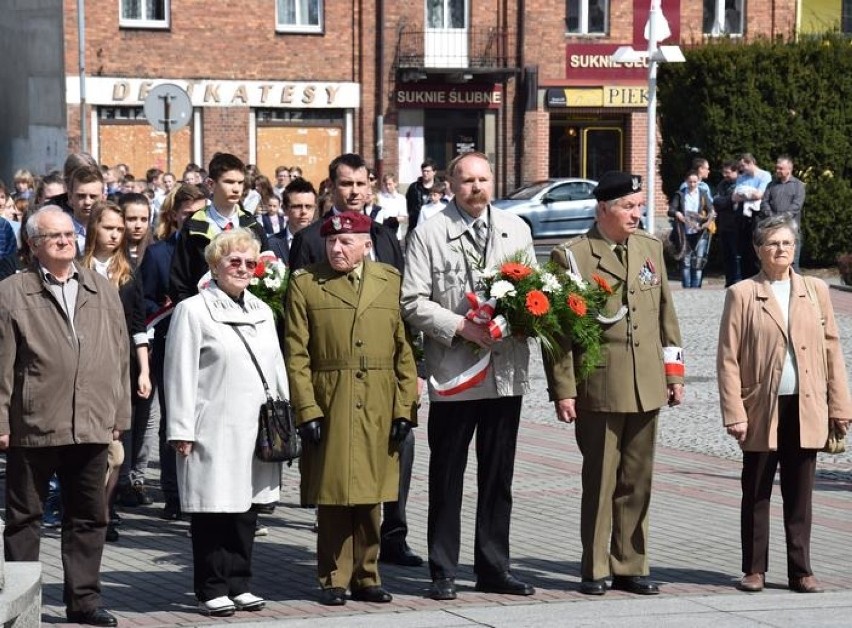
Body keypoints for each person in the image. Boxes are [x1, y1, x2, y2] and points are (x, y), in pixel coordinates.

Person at [401, 151, 536, 601]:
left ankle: (494, 567)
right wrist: (462, 326)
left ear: (492, 181)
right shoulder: (430, 232)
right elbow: (412, 300)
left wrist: (517, 317)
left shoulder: (515, 229)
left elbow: (534, 292)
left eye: (482, 179)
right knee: (447, 475)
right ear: (450, 185)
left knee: (498, 477)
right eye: (466, 181)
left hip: (504, 371)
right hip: (454, 374)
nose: (476, 188)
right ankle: (443, 569)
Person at [544, 171, 684, 597]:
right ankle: (596, 566)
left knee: (638, 479)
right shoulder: (573, 256)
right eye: (628, 207)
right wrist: (564, 390)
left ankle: (631, 564)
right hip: (601, 385)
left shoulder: (649, 248)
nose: (636, 214)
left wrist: (673, 374)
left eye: (639, 206)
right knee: (602, 480)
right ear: (603, 209)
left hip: (646, 383)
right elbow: (558, 332)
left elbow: (666, 316)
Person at [0, 205, 130, 627]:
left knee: (89, 517)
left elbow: (119, 355)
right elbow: (1, 365)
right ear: (34, 245)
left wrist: (120, 413)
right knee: (24, 519)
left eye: (69, 235)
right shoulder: (12, 293)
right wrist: (1, 423)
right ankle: (20, 605)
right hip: (34, 422)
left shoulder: (101, 287)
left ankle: (84, 603)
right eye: (53, 236)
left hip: (93, 421)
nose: (64, 241)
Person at [287, 154, 417, 566]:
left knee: (397, 452)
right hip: (336, 380)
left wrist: (409, 384)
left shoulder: (383, 235)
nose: (355, 192)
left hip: (382, 382)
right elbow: (297, 322)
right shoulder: (310, 240)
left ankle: (392, 537)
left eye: (362, 184)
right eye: (346, 184)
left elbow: (399, 314)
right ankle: (340, 564)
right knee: (339, 472)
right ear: (331, 187)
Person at [716, 214, 851, 595]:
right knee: (756, 489)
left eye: (787, 243)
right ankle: (754, 568)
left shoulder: (814, 290)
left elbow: (832, 348)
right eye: (773, 243)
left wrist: (840, 405)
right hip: (761, 406)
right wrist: (734, 412)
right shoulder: (741, 293)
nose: (781, 250)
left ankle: (801, 570)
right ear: (758, 249)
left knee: (800, 493)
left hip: (807, 405)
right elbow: (728, 357)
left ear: (796, 249)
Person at [165, 229, 285, 617]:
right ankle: (210, 587)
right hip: (212, 426)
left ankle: (240, 582)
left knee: (246, 509)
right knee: (213, 508)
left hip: (256, 427)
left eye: (251, 263)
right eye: (234, 261)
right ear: (214, 266)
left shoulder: (262, 311)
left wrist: (284, 418)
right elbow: (178, 373)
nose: (243, 268)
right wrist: (181, 428)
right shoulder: (193, 310)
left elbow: (276, 368)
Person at [80, 201, 152, 539]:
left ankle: (106, 510)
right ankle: (88, 509)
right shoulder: (79, 269)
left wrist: (144, 370)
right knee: (90, 446)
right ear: (94, 227)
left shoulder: (128, 272)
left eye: (119, 229)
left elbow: (139, 325)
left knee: (118, 447)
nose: (115, 234)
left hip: (120, 369)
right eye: (109, 227)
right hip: (83, 367)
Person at [140, 184, 209, 521]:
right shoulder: (158, 254)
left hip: (208, 346)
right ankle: (173, 493)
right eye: (188, 216)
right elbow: (146, 301)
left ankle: (203, 489)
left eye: (201, 215)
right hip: (171, 342)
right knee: (174, 418)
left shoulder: (214, 247)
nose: (195, 222)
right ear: (174, 216)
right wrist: (165, 305)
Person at [169, 152, 267, 304]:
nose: (236, 189)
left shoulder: (252, 226)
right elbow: (179, 281)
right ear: (210, 184)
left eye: (240, 183)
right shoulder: (194, 225)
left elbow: (266, 273)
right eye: (229, 182)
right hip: (204, 313)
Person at [668, 170, 715, 288]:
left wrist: (709, 216)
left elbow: (710, 209)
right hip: (685, 232)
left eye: (695, 182)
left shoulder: (703, 193)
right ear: (686, 182)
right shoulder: (680, 194)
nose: (693, 184)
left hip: (700, 231)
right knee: (686, 262)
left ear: (698, 182)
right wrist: (677, 213)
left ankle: (696, 288)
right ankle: (686, 288)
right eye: (690, 182)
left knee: (698, 261)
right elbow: (671, 210)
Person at [760, 155, 806, 270]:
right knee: (774, 262)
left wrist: (781, 220)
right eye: (777, 168)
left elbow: (796, 207)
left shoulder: (798, 186)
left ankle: (797, 288)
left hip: (791, 230)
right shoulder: (771, 185)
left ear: (789, 169)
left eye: (780, 168)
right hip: (773, 229)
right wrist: (771, 218)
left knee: (792, 263)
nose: (777, 171)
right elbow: (764, 202)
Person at [733, 153, 772, 279]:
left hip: (757, 216)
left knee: (756, 247)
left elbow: (759, 195)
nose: (742, 168)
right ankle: (746, 278)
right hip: (743, 217)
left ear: (751, 163)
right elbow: (734, 197)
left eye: (743, 165)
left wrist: (745, 194)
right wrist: (749, 194)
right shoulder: (741, 178)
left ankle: (759, 276)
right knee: (744, 249)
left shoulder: (764, 175)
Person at [267, 177, 317, 262]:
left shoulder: (324, 242)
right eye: (297, 206)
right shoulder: (271, 244)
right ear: (284, 209)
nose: (304, 211)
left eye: (308, 206)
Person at [713, 160, 741, 286]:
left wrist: (725, 202)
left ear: (735, 171)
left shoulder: (740, 184)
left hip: (737, 226)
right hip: (724, 225)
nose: (725, 175)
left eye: (728, 172)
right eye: (723, 172)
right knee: (727, 256)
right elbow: (717, 202)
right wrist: (729, 200)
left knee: (737, 256)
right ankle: (729, 281)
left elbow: (737, 201)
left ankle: (737, 280)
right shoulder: (722, 184)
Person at [405, 158, 437, 231]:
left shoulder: (439, 188)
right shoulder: (414, 187)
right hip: (415, 225)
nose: (425, 173)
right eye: (423, 171)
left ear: (434, 172)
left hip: (434, 226)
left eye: (428, 171)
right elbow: (409, 205)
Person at [377, 173, 409, 241]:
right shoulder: (379, 196)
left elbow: (403, 216)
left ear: (395, 184)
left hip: (394, 232)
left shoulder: (401, 198)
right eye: (386, 184)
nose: (388, 186)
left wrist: (393, 220)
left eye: (390, 184)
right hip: (381, 231)